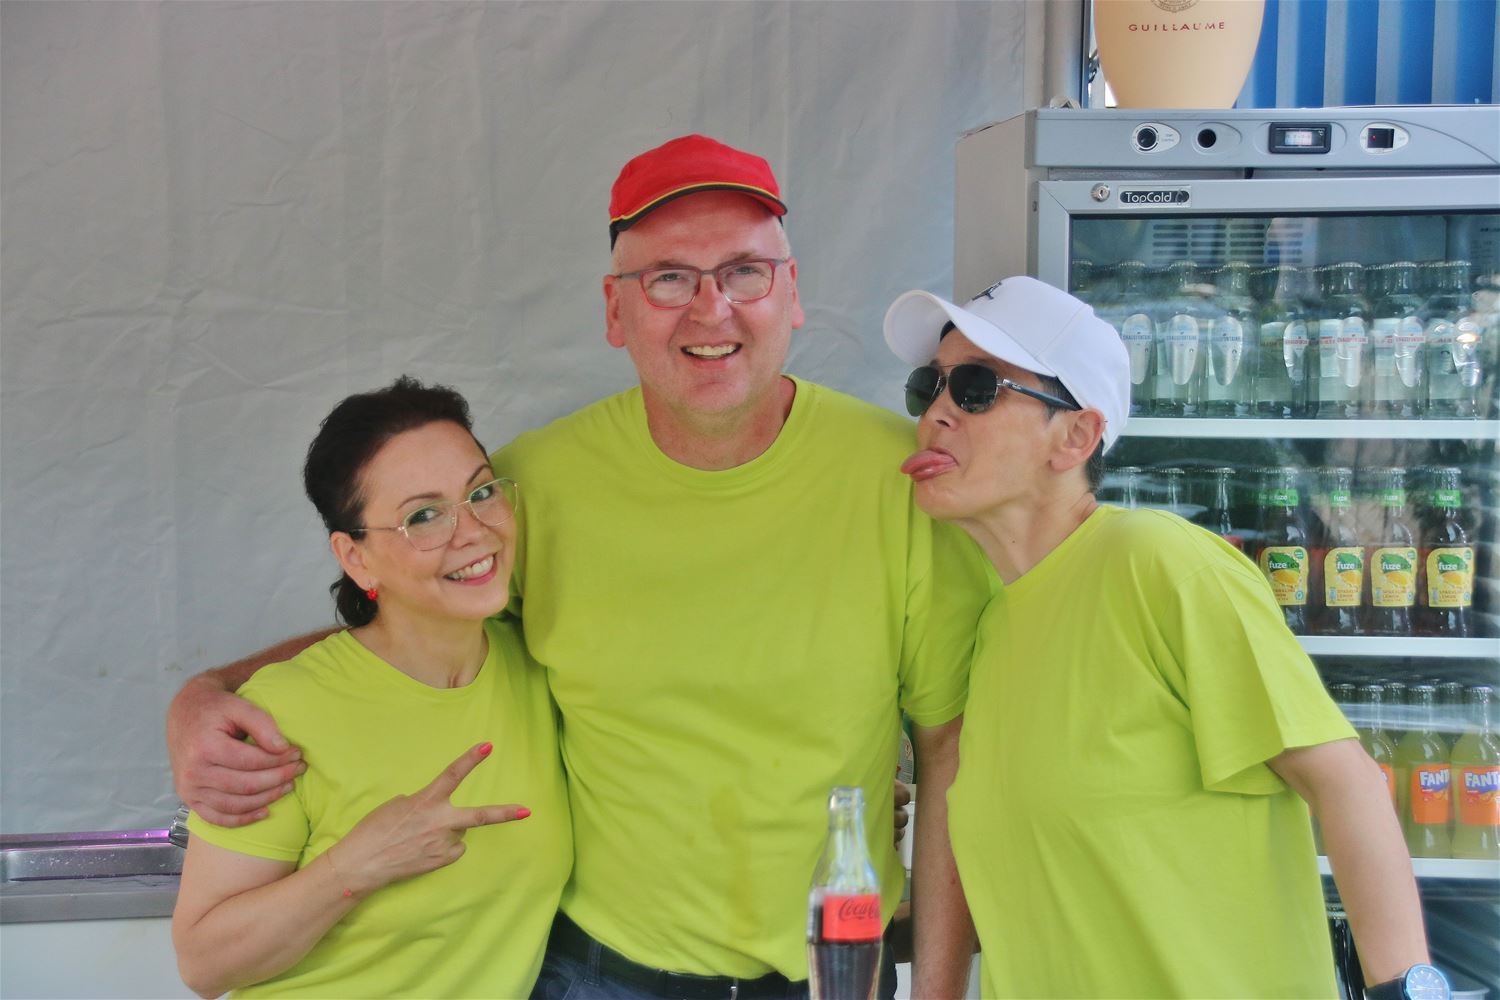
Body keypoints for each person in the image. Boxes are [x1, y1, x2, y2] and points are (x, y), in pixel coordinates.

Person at [166, 136, 989, 999]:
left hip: (833, 970)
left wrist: (937, 993)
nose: (711, 309)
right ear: (614, 310)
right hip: (599, 974)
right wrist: (207, 694)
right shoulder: (533, 488)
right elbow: (408, 615)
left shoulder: (901, 477)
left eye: (744, 272)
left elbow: (949, 752)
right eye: (669, 278)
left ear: (792, 292)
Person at [883, 275, 1438, 999]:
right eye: (929, 387)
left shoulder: (1156, 562)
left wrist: (1407, 991)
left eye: (976, 388)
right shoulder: (993, 627)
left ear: (1076, 436)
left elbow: (1346, 783)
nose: (937, 413)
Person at [171, 377, 570, 998]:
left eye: (481, 492)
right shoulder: (284, 710)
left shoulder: (540, 667)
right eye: (423, 516)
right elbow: (203, 964)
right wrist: (356, 866)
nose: (473, 530)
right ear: (355, 558)